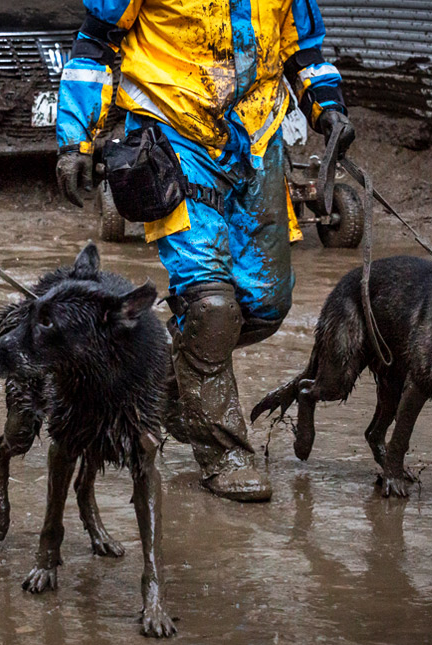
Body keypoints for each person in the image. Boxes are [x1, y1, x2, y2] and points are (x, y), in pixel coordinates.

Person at [56, 0, 354, 502]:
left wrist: (328, 106)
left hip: (256, 140)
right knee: (212, 306)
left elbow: (302, 50)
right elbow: (96, 42)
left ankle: (163, 383)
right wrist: (75, 139)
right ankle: (225, 453)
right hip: (172, 133)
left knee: (265, 303)